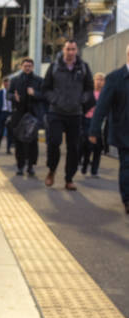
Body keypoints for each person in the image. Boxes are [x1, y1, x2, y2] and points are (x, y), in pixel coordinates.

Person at [42, 40, 95, 190]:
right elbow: (45, 88)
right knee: (53, 142)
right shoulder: (54, 67)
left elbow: (89, 89)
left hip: (75, 113)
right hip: (56, 112)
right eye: (68, 49)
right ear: (63, 50)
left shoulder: (83, 68)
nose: (71, 52)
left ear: (77, 50)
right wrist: (55, 99)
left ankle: (69, 178)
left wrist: (81, 101)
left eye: (73, 49)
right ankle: (52, 170)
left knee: (74, 147)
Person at [89, 44, 129, 214]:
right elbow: (102, 106)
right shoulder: (115, 78)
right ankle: (127, 199)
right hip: (124, 132)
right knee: (127, 165)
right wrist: (94, 129)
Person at [8, 58, 45, 176]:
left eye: (29, 66)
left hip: (33, 115)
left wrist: (34, 94)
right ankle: (20, 166)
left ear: (33, 67)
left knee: (32, 141)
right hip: (19, 114)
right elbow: (8, 94)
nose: (27, 68)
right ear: (21, 67)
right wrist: (14, 97)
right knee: (19, 141)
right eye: (25, 66)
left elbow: (45, 96)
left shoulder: (39, 81)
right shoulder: (15, 80)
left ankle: (31, 166)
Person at [81, 72, 105, 176]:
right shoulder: (87, 92)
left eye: (101, 80)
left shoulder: (106, 93)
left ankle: (94, 170)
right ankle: (85, 165)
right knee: (88, 145)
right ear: (93, 81)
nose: (99, 82)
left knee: (98, 147)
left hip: (99, 123)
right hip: (87, 121)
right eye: (97, 79)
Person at [0, 77, 13, 153]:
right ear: (3, 84)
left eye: (8, 82)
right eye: (5, 83)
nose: (7, 84)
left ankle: (8, 148)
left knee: (10, 131)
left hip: (10, 113)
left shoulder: (12, 92)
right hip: (2, 113)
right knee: (0, 131)